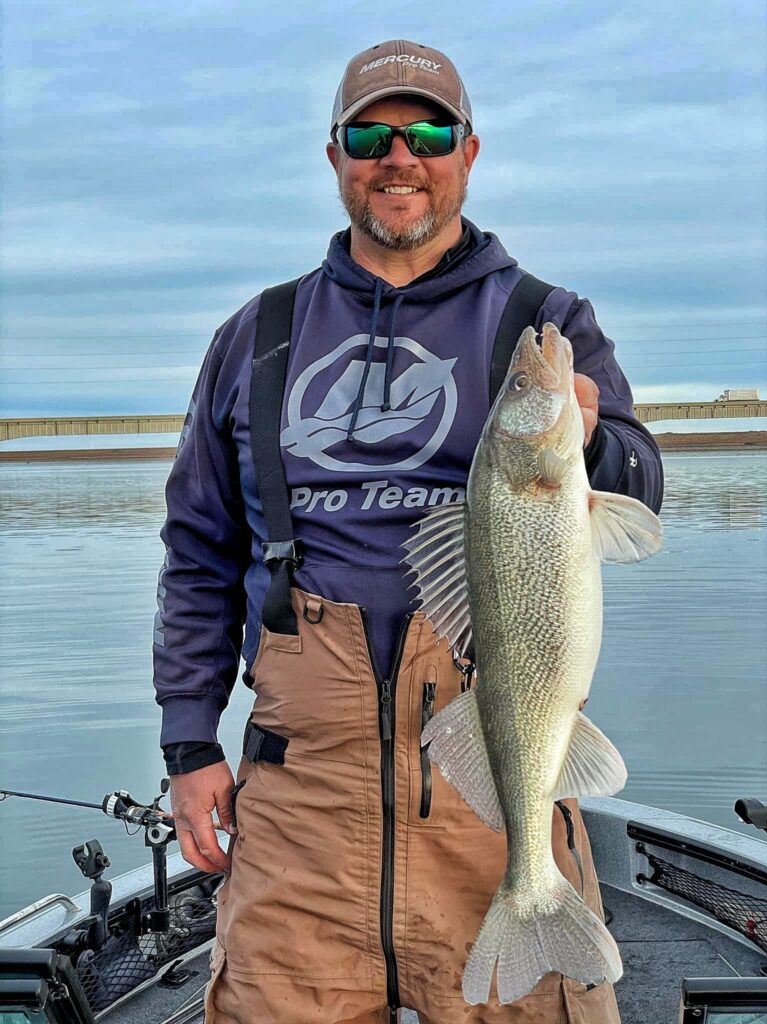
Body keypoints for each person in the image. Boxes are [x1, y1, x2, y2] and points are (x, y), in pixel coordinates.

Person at [154, 39, 663, 1024]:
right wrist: (188, 742)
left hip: (490, 777)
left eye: (426, 131)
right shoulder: (255, 335)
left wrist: (594, 446)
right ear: (336, 156)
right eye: (370, 134)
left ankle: (536, 898)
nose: (399, 155)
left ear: (468, 152)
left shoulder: (544, 322)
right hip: (299, 797)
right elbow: (198, 548)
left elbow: (641, 480)